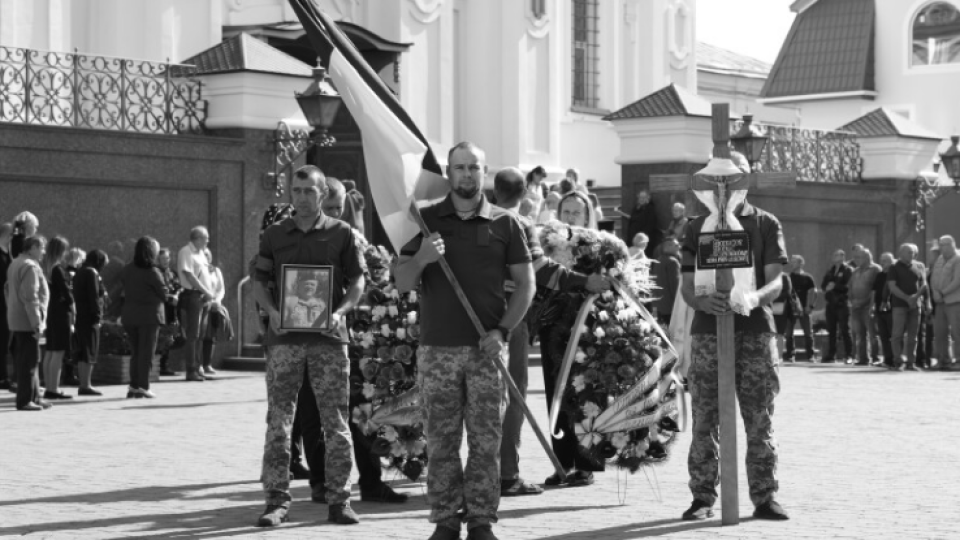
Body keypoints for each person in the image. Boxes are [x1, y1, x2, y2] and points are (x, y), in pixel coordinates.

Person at [395, 142, 534, 540]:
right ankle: (445, 519)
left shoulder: (506, 223)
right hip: (437, 349)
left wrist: (502, 331)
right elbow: (402, 281)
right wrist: (421, 257)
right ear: (448, 172)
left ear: (484, 171)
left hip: (486, 350)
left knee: (486, 441)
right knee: (441, 440)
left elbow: (526, 284)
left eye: (474, 167)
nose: (467, 174)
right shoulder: (424, 219)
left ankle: (480, 520)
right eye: (459, 167)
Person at [253, 165, 365, 527]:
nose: (301, 197)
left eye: (309, 191)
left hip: (329, 341)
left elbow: (357, 281)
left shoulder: (341, 233)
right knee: (279, 421)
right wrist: (270, 311)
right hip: (284, 340)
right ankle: (276, 500)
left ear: (322, 195)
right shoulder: (274, 234)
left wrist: (341, 312)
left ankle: (339, 499)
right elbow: (259, 280)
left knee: (335, 421)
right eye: (296, 190)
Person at [679, 156, 789, 522]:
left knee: (759, 417)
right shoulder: (696, 227)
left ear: (744, 181)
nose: (723, 185)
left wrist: (755, 297)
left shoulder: (764, 222)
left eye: (731, 178)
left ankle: (764, 496)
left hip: (754, 332)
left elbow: (777, 279)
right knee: (705, 417)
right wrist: (701, 299)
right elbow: (686, 286)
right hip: (709, 334)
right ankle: (702, 497)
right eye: (716, 179)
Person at [492, 167, 611, 498]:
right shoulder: (534, 233)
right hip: (549, 328)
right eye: (567, 211)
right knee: (555, 397)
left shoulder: (601, 245)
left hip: (587, 330)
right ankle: (557, 463)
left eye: (577, 212)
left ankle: (585, 463)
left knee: (585, 395)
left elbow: (608, 282)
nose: (571, 216)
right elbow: (541, 272)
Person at [300, 175, 408, 505]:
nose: (337, 213)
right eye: (331, 207)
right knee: (313, 413)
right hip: (309, 337)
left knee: (361, 411)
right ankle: (320, 482)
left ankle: (371, 482)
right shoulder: (298, 236)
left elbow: (379, 276)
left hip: (355, 339)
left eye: (340, 207)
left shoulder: (354, 238)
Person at [6, 235, 49, 410]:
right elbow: (31, 297)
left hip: (17, 318)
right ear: (31, 248)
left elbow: (8, 290)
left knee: (30, 359)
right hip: (27, 320)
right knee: (29, 362)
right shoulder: (30, 267)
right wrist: (36, 322)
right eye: (41, 248)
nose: (44, 252)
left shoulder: (16, 262)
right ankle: (25, 400)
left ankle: (35, 397)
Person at [120, 237, 167, 398]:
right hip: (149, 317)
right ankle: (143, 386)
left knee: (136, 352)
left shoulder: (127, 269)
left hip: (130, 316)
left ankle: (133, 386)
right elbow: (164, 293)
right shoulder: (153, 271)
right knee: (146, 353)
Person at [178, 226, 216, 382]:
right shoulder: (186, 251)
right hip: (193, 296)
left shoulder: (202, 254)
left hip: (204, 298)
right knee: (193, 335)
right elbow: (189, 274)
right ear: (198, 238)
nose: (208, 241)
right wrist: (205, 291)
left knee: (200, 335)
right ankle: (191, 369)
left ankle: (198, 367)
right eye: (206, 238)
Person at [41, 236, 74, 400]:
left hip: (50, 311)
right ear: (60, 251)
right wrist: (73, 305)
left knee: (50, 350)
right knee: (58, 352)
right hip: (61, 313)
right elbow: (66, 293)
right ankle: (53, 389)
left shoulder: (45, 267)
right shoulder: (58, 269)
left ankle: (49, 387)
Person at [887, 243, 927, 371]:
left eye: (913, 252)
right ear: (901, 253)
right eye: (909, 252)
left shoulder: (919, 266)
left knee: (913, 336)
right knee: (897, 335)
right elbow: (892, 287)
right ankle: (898, 361)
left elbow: (924, 284)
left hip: (915, 305)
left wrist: (915, 298)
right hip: (899, 305)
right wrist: (907, 298)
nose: (912, 254)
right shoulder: (894, 267)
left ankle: (911, 362)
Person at [74, 249, 108, 395]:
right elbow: (93, 296)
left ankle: (83, 383)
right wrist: (97, 316)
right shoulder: (92, 273)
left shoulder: (80, 271)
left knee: (83, 350)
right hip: (90, 316)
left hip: (79, 315)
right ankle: (86, 385)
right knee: (90, 350)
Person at [931, 235, 960, 371]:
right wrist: (935, 292)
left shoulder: (958, 258)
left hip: (954, 301)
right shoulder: (940, 259)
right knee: (940, 332)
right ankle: (943, 360)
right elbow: (933, 277)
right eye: (940, 245)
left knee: (957, 332)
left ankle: (958, 360)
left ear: (952, 244)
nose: (942, 248)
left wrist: (942, 293)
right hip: (940, 302)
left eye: (945, 245)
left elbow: (957, 281)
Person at [849, 249, 881, 365]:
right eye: (855, 257)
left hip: (868, 306)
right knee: (860, 334)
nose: (855, 260)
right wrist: (852, 301)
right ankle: (863, 358)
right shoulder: (856, 271)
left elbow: (876, 288)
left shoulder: (875, 269)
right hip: (856, 307)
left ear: (867, 257)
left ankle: (875, 358)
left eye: (858, 257)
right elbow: (851, 287)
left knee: (872, 333)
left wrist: (864, 301)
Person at [821, 249, 853, 363]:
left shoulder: (848, 270)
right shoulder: (831, 270)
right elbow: (823, 285)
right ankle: (831, 354)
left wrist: (835, 286)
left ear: (842, 256)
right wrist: (827, 287)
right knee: (831, 330)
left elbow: (849, 286)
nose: (833, 257)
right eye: (833, 255)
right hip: (831, 303)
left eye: (836, 255)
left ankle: (849, 355)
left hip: (842, 303)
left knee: (844, 329)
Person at [201, 249, 229, 376]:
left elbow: (221, 288)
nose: (206, 257)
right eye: (203, 254)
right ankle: (198, 364)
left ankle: (207, 364)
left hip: (214, 305)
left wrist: (216, 300)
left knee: (211, 335)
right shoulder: (197, 269)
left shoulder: (215, 271)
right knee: (200, 334)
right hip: (201, 304)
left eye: (208, 254)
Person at [785, 255, 817, 362]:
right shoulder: (788, 277)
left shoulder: (808, 277)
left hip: (804, 309)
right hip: (791, 310)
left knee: (808, 333)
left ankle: (810, 356)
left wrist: (809, 306)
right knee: (789, 333)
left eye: (794, 262)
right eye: (791, 262)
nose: (791, 264)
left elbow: (813, 292)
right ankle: (790, 356)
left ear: (801, 263)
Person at [157, 247, 182, 376]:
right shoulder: (155, 272)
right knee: (161, 336)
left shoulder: (172, 273)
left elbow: (179, 287)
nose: (166, 261)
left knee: (169, 337)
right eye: (163, 258)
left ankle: (165, 365)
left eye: (167, 258)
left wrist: (177, 295)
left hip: (172, 309)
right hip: (161, 308)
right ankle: (158, 365)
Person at [623, 190, 661, 259]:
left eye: (644, 197)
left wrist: (641, 237)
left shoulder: (650, 209)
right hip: (633, 241)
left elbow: (650, 225)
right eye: (640, 197)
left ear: (648, 198)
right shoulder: (636, 208)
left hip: (643, 242)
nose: (642, 199)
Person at [873, 252, 896, 367]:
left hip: (892, 309)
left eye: (885, 260)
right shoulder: (880, 275)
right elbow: (875, 291)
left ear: (892, 261)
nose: (882, 262)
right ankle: (887, 359)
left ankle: (896, 359)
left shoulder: (894, 274)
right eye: (881, 260)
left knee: (893, 335)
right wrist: (873, 305)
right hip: (879, 309)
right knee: (883, 336)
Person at [654, 237, 681, 327]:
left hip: (659, 306)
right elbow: (675, 286)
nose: (679, 247)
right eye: (676, 245)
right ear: (668, 246)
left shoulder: (659, 259)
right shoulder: (672, 262)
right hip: (670, 307)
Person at [0, 223, 13, 391]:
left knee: (4, 340)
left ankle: (3, 375)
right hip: (1, 302)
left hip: (6, 303)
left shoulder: (7, 253)